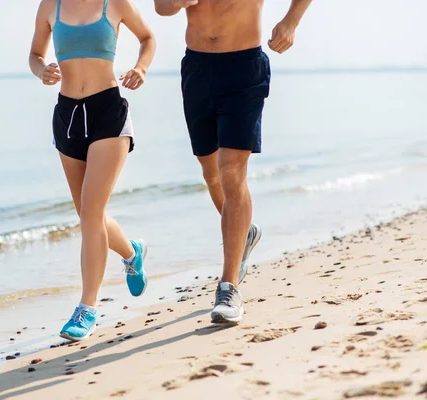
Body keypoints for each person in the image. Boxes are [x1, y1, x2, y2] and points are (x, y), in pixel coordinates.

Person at [154, 0, 311, 323]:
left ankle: (228, 287)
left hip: (244, 69)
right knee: (210, 172)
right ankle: (245, 232)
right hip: (197, 69)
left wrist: (291, 21)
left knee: (231, 171)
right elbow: (162, 7)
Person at [29, 0, 156, 341]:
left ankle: (87, 308)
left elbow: (147, 37)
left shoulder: (114, 3)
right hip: (67, 114)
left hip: (107, 110)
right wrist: (42, 70)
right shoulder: (50, 6)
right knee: (87, 213)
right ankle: (131, 252)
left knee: (91, 212)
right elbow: (35, 54)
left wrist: (141, 68)